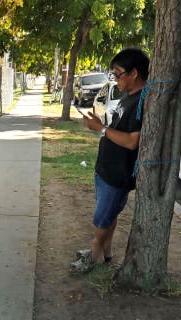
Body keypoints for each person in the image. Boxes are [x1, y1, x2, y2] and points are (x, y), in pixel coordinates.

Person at [70, 48, 150, 273]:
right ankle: (106, 252)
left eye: (118, 74)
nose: (115, 79)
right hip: (106, 168)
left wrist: (101, 128)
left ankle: (94, 253)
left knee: (101, 218)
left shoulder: (141, 101)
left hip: (118, 172)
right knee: (109, 213)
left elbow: (133, 141)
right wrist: (101, 126)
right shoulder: (128, 96)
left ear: (134, 73)